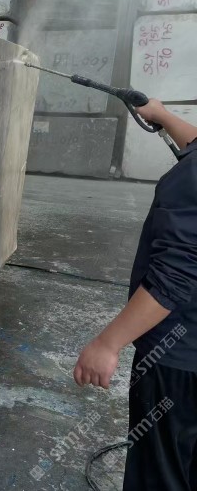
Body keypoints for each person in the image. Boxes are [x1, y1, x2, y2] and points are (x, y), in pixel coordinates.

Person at [73, 99, 197, 490]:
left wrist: (108, 344)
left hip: (179, 361)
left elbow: (174, 277)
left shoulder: (192, 178)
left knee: (159, 473)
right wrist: (161, 115)